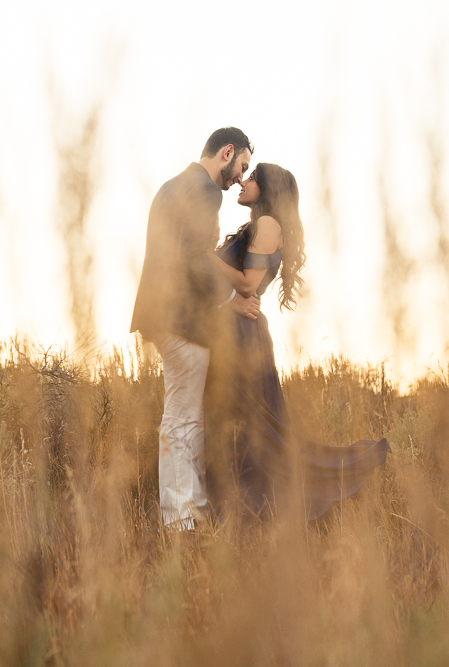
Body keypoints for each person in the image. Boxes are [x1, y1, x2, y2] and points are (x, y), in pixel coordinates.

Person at [205, 162, 389, 520]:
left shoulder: (269, 224)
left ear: (270, 188)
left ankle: (268, 506)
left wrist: (205, 258)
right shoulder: (256, 225)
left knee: (252, 430)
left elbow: (246, 283)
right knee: (237, 425)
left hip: (241, 336)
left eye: (253, 176)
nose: (243, 180)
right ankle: (228, 507)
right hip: (233, 329)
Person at [130, 127, 261, 531]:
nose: (240, 178)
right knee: (182, 418)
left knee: (187, 416)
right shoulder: (205, 191)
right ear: (226, 152)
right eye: (241, 166)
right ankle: (179, 520)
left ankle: (196, 509)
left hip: (163, 315)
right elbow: (193, 259)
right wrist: (231, 301)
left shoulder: (172, 187)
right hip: (182, 318)